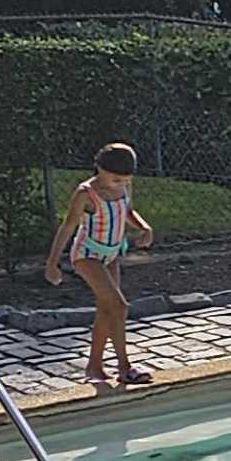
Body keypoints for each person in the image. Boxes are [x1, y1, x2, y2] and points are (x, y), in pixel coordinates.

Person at [45, 143, 157, 388]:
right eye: (115, 179)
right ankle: (125, 367)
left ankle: (94, 366)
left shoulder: (125, 186)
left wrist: (144, 227)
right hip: (88, 255)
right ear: (99, 167)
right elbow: (68, 226)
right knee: (118, 305)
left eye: (125, 180)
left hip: (112, 253)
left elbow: (128, 211)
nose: (120, 184)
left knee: (107, 310)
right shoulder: (86, 193)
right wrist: (53, 263)